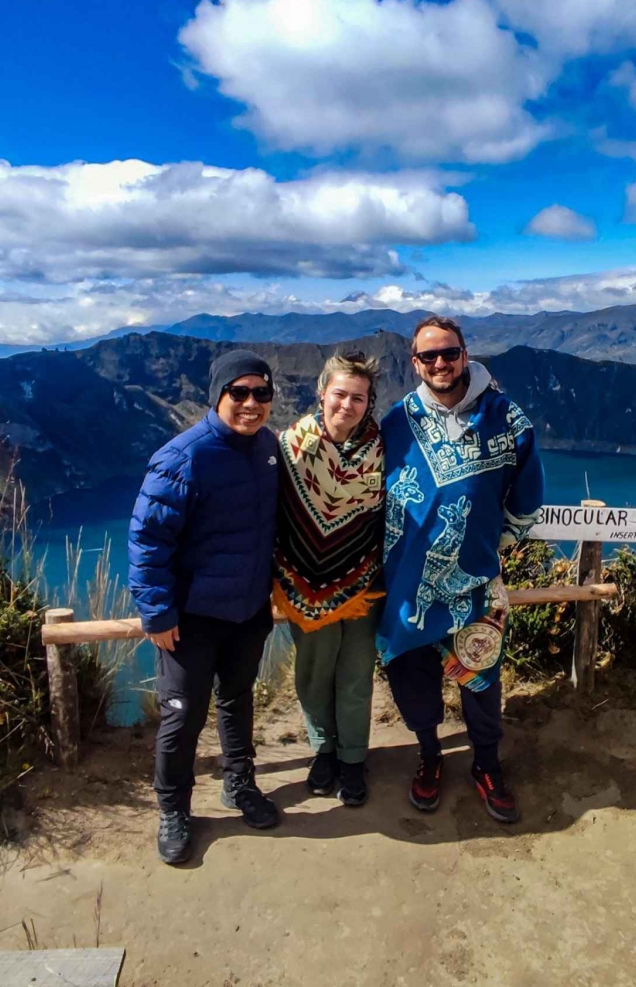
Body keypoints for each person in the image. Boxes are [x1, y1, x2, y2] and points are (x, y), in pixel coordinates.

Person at [377, 315, 544, 824]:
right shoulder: (395, 421)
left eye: (449, 353)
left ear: (464, 354)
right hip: (408, 585)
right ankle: (429, 757)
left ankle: (486, 765)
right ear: (415, 364)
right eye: (429, 356)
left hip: (475, 582)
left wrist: (501, 546)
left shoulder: (506, 417)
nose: (440, 363)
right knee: (414, 678)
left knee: (480, 679)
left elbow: (528, 495)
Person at [128, 349, 282, 866]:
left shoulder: (267, 449)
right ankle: (174, 809)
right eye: (238, 392)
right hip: (191, 619)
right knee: (183, 715)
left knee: (238, 699)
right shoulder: (184, 456)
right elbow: (148, 540)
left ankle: (239, 784)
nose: (251, 403)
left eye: (261, 393)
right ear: (217, 395)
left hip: (247, 611)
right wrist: (158, 614)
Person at [273, 352, 387, 807]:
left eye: (358, 397)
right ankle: (324, 751)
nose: (347, 405)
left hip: (364, 580)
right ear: (322, 393)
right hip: (302, 578)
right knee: (315, 672)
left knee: (356, 673)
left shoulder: (383, 449)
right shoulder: (288, 447)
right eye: (339, 394)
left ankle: (353, 759)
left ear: (368, 402)